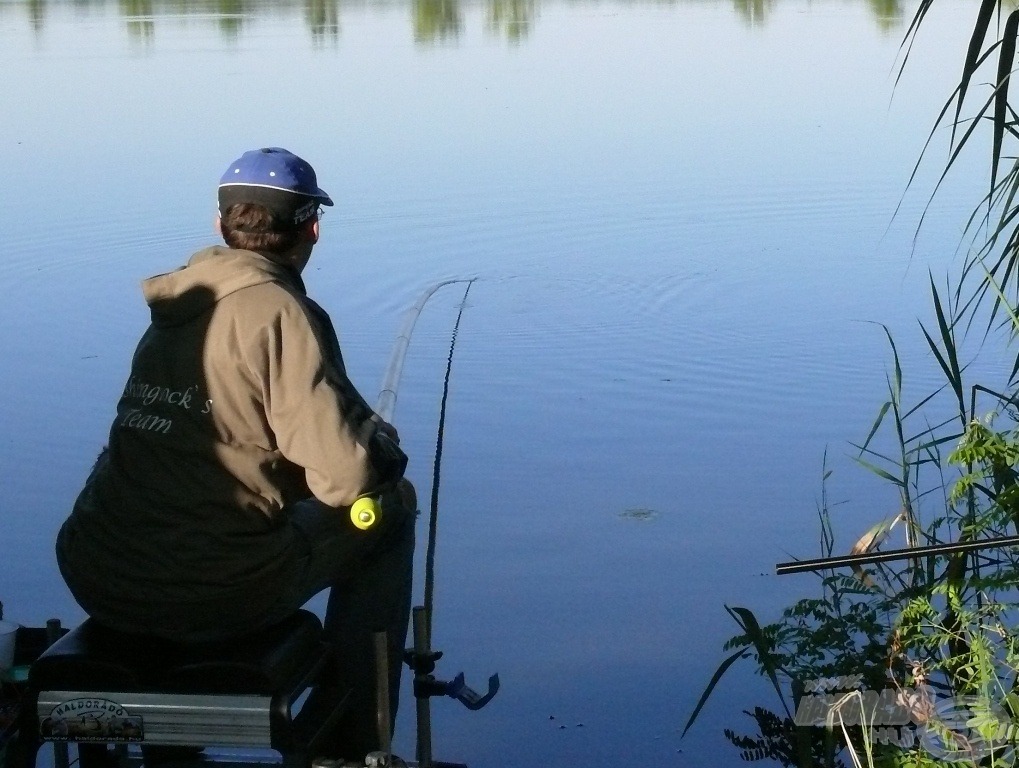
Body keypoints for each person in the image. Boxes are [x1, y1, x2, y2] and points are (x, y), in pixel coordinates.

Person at [55, 147, 415, 761]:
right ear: (312, 229)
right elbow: (343, 478)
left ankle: (177, 750)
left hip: (98, 576)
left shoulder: (173, 309)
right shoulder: (280, 311)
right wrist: (380, 453)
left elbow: (216, 441)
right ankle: (357, 736)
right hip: (219, 594)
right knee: (390, 509)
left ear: (222, 226)